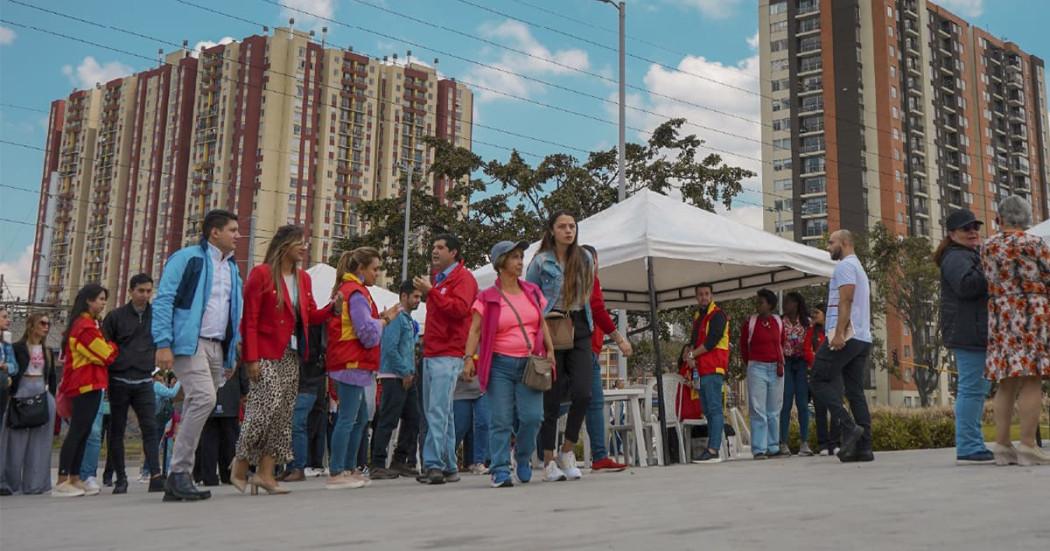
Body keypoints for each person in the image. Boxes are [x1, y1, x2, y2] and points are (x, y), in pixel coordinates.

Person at [152, 209, 243, 502]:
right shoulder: (187, 258)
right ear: (214, 232)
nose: (238, 235)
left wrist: (231, 353)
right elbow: (164, 300)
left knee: (199, 402)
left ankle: (177, 477)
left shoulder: (232, 268)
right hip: (189, 344)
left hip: (217, 347)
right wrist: (163, 343)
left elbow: (234, 312)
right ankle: (179, 472)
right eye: (232, 230)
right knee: (204, 398)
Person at [235, 225, 334, 495]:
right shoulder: (261, 274)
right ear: (284, 244)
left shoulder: (303, 279)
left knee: (282, 416)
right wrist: (251, 359)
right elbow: (249, 319)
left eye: (305, 242)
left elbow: (310, 315)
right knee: (264, 409)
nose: (304, 247)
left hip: (291, 355)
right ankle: (240, 463)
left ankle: (266, 474)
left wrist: (331, 308)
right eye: (299, 242)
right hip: (265, 353)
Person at [464, 241, 554, 487]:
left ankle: (522, 457)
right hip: (499, 365)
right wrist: (468, 358)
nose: (520, 262)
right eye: (514, 257)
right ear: (500, 263)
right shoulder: (487, 297)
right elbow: (474, 330)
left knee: (533, 417)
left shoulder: (532, 292)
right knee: (501, 419)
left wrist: (550, 350)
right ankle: (500, 469)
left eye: (521, 257)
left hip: (530, 364)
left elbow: (542, 324)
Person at [526, 211, 596, 482]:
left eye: (572, 226)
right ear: (552, 231)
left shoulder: (585, 258)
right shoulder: (540, 261)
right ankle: (548, 460)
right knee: (551, 397)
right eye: (562, 227)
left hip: (579, 324)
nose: (568, 231)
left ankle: (567, 451)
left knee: (584, 392)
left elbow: (588, 292)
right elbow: (531, 297)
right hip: (551, 325)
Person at [982, 196, 1050, 466]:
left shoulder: (988, 246)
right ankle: (1028, 445)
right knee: (1032, 378)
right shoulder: (1035, 244)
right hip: (1031, 314)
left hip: (1000, 316)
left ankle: (1002, 445)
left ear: (1000, 218)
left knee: (1006, 381)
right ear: (1027, 218)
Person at [326, 247, 399, 490]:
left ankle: (348, 467)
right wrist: (384, 320)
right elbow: (367, 334)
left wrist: (379, 320)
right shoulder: (356, 293)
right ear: (361, 269)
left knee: (357, 419)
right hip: (351, 362)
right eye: (375, 269)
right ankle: (337, 470)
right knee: (348, 418)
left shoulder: (352, 291)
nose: (377, 273)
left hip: (353, 361)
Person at [413, 234, 479, 485]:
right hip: (433, 352)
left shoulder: (463, 278)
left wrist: (432, 292)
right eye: (433, 247)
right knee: (444, 413)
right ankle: (449, 465)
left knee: (437, 411)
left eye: (440, 247)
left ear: (454, 252)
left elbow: (460, 309)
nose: (435, 251)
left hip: (448, 353)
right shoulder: (440, 278)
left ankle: (433, 464)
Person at [935, 209, 995, 465]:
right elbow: (967, 285)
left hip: (972, 330)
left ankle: (972, 442)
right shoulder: (956, 256)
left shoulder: (966, 254)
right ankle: (969, 445)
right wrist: (990, 267)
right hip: (969, 331)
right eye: (966, 229)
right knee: (972, 389)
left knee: (977, 389)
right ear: (952, 234)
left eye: (975, 227)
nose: (972, 232)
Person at [810, 230, 874, 463]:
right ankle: (865, 447)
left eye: (831, 242)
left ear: (845, 242)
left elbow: (846, 300)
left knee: (817, 379)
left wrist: (838, 334)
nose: (828, 247)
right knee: (855, 391)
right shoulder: (858, 267)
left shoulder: (845, 266)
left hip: (847, 335)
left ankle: (848, 427)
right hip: (862, 337)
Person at [99, 273, 164, 493]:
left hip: (145, 380)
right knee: (116, 430)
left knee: (150, 428)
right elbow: (104, 345)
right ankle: (121, 479)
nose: (145, 295)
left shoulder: (157, 315)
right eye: (141, 291)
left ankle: (156, 476)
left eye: (149, 291)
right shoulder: (115, 316)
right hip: (119, 380)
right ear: (130, 291)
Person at [53, 284, 118, 497]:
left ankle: (75, 477)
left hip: (93, 382)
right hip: (84, 383)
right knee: (77, 431)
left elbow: (101, 354)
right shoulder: (84, 326)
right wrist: (112, 346)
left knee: (84, 431)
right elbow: (106, 354)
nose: (103, 303)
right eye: (100, 299)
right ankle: (62, 479)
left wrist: (105, 349)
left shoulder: (90, 324)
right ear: (89, 300)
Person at [581, 245, 633, 473]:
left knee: (591, 402)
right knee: (574, 402)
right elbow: (598, 310)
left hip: (589, 349)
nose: (594, 265)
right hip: (582, 349)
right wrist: (620, 339)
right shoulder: (588, 280)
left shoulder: (582, 281)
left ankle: (600, 456)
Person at [370, 281, 423, 480]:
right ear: (404, 296)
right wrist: (404, 372)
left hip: (406, 376)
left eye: (419, 297)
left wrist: (409, 372)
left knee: (413, 418)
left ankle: (400, 460)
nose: (418, 301)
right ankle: (377, 463)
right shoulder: (396, 318)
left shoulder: (407, 319)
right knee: (388, 420)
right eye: (415, 296)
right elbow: (390, 349)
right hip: (394, 376)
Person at [0, 312, 57, 495]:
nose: (46, 327)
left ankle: (35, 484)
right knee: (14, 444)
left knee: (39, 444)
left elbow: (52, 377)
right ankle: (10, 483)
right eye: (42, 323)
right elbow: (12, 371)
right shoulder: (17, 347)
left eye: (48, 324)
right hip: (20, 395)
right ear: (31, 325)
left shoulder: (47, 351)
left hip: (42, 394)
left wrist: (52, 397)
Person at [685, 282, 729, 463]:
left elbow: (711, 341)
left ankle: (713, 449)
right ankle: (712, 448)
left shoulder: (718, 315)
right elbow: (693, 340)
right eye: (700, 294)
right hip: (701, 369)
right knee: (708, 410)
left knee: (714, 409)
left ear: (711, 295)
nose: (703, 297)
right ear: (696, 297)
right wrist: (689, 355)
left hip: (714, 367)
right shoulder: (699, 316)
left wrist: (692, 354)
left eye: (706, 293)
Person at [740, 288, 785, 460]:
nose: (757, 305)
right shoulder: (750, 323)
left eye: (761, 302)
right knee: (758, 409)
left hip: (776, 368)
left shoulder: (778, 321)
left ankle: (773, 447)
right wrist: (751, 363)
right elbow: (744, 346)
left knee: (774, 410)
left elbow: (782, 342)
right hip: (757, 367)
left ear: (770, 305)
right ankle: (759, 448)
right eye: (757, 302)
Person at [281, 324, 327, 482]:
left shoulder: (309, 325)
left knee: (297, 424)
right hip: (300, 380)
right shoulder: (299, 326)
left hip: (307, 381)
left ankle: (298, 467)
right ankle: (291, 467)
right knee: (291, 425)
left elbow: (309, 353)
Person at [195, 360, 247, 486]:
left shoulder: (205, 352)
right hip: (230, 399)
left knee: (209, 441)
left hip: (209, 397)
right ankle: (229, 475)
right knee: (230, 441)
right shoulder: (234, 353)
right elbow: (243, 375)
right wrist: (245, 391)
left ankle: (208, 476)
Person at [779, 292, 813, 457]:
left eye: (788, 302)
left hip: (801, 364)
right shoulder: (780, 322)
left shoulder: (807, 322)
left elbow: (812, 342)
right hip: (786, 363)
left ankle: (804, 442)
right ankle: (783, 443)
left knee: (802, 404)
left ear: (796, 304)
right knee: (785, 404)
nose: (784, 305)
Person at [803, 304, 837, 456]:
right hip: (817, 374)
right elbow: (806, 350)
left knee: (836, 408)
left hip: (833, 374)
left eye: (817, 312)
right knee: (820, 410)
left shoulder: (834, 330)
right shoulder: (811, 332)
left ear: (825, 314)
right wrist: (817, 363)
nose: (814, 315)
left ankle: (835, 443)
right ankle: (823, 444)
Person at [0, 306, 14, 427]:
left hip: (3, 387)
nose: (8, 320)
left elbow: (15, 366)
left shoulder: (6, 340)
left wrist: (6, 366)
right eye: (4, 317)